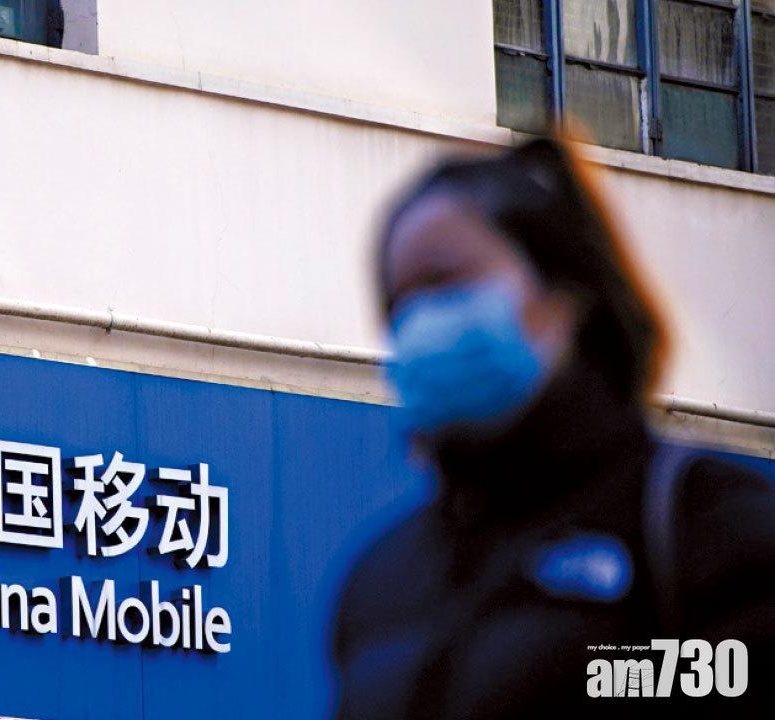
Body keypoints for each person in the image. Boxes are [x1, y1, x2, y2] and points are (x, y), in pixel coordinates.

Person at [331, 137, 775, 718]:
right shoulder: (379, 583)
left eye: (445, 281)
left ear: (561, 293)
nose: (421, 325)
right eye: (399, 306)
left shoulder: (703, 523)